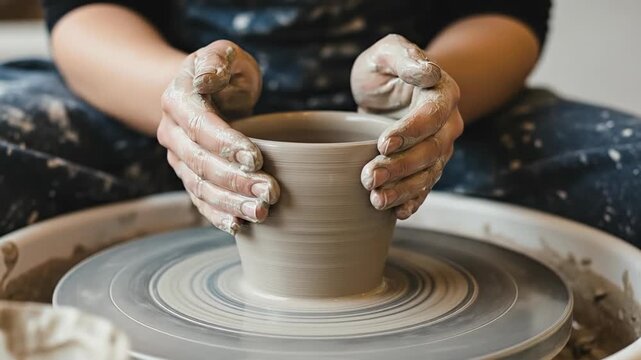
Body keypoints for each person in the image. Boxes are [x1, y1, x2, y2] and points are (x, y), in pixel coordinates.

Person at [0, 1, 639, 244]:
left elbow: (505, 10)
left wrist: (425, 88)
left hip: (414, 132)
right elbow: (84, 11)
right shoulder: (170, 100)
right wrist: (176, 98)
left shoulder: (418, 112)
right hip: (158, 102)